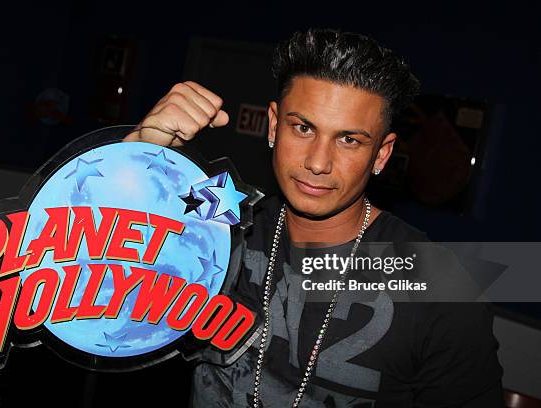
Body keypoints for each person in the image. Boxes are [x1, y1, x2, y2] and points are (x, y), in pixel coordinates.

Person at [124, 28, 503, 407]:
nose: (317, 163)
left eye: (348, 140)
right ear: (274, 126)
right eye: (303, 128)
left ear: (382, 155)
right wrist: (140, 154)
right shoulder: (218, 213)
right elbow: (87, 263)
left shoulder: (442, 285)